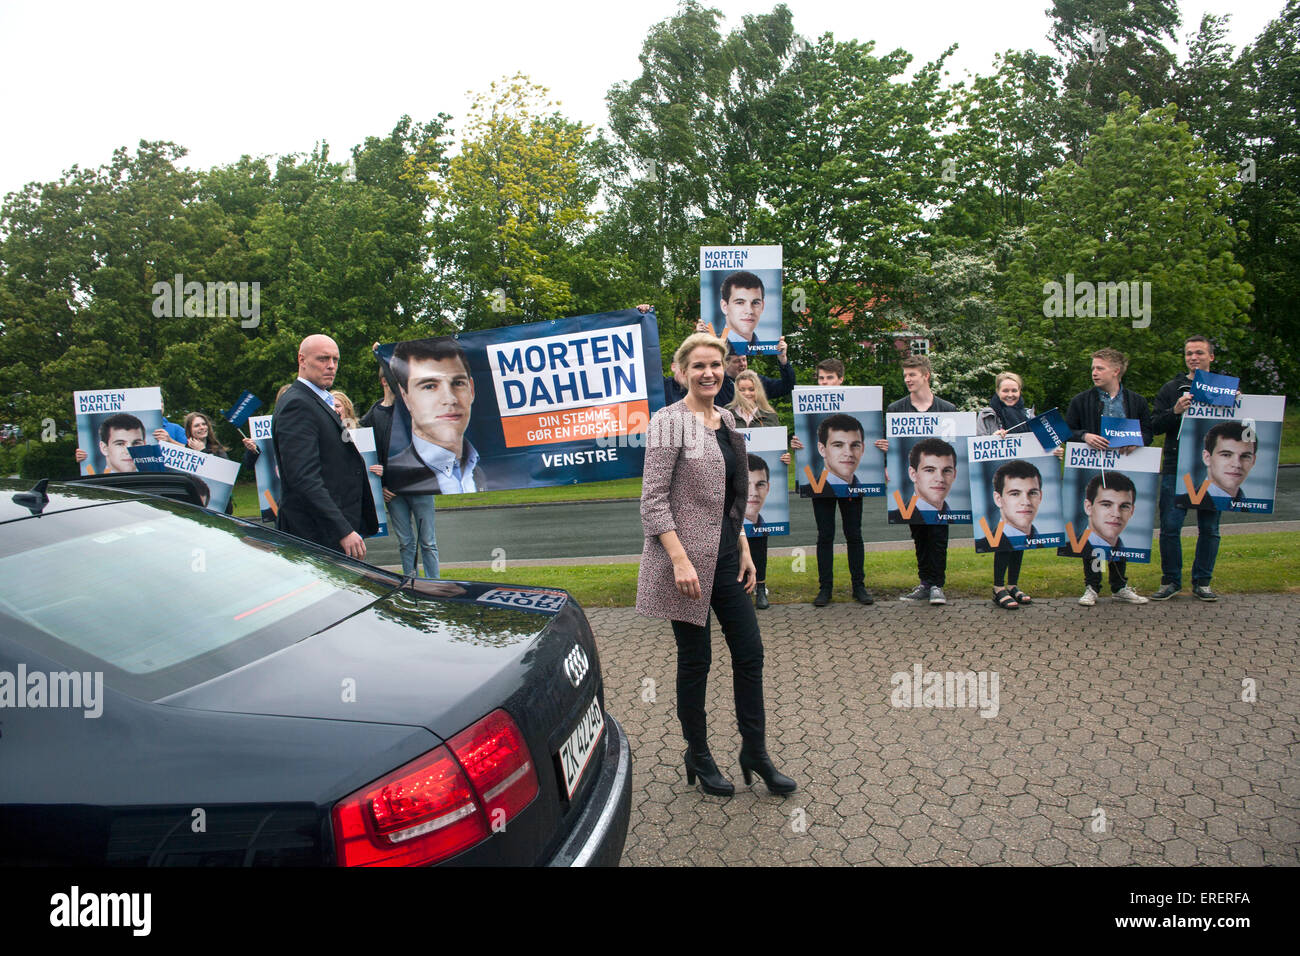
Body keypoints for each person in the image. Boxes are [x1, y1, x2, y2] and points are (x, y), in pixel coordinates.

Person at [636, 331, 795, 797]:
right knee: (696, 661)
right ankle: (698, 754)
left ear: (726, 369)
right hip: (684, 567)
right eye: (699, 365)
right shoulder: (668, 422)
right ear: (681, 372)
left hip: (726, 557)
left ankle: (756, 752)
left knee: (750, 654)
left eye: (716, 364)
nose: (709, 372)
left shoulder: (726, 419)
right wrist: (680, 561)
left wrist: (743, 545)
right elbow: (653, 501)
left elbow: (730, 498)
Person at [272, 334, 378, 558]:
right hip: (317, 535)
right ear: (302, 360)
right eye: (323, 359)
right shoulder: (297, 404)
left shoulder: (318, 400)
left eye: (335, 360)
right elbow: (303, 478)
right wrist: (342, 529)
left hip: (330, 529)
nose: (331, 366)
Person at [1065, 349, 1151, 605]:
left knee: (1116, 528)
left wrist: (1137, 441)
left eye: (1100, 368)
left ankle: (1119, 586)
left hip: (1125, 471)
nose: (1094, 372)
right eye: (1093, 368)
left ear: (1116, 371)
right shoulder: (1081, 401)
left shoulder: (1136, 401)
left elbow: (1148, 431)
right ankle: (1092, 586)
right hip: (1094, 471)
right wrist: (1084, 436)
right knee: (1097, 531)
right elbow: (1066, 430)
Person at [874, 355, 957, 605]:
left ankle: (937, 585)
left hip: (941, 482)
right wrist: (887, 451)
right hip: (912, 485)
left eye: (912, 375)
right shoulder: (896, 409)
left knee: (939, 534)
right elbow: (895, 447)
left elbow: (955, 446)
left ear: (926, 376)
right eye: (905, 375)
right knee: (919, 534)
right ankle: (924, 583)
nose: (907, 379)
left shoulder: (947, 409)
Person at [791, 359, 873, 607]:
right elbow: (802, 436)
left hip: (853, 487)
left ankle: (859, 586)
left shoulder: (857, 403)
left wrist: (881, 446)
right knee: (825, 535)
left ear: (840, 379)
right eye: (821, 378)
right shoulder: (810, 405)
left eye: (829, 378)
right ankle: (825, 587)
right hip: (821, 485)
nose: (824, 382)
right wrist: (794, 441)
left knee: (854, 534)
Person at [1151, 336, 1224, 601]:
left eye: (1199, 353)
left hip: (1212, 469)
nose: (1193, 357)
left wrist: (1240, 402)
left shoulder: (1225, 389)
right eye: (1189, 353)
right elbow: (1155, 425)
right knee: (1170, 527)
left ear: (1211, 357)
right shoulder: (1172, 388)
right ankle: (1171, 581)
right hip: (1176, 466)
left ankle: (1202, 582)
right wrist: (1175, 410)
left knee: (1210, 528)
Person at [362, 360, 439, 579]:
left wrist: (379, 355)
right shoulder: (372, 415)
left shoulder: (409, 411)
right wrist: (383, 484)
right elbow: (366, 454)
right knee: (405, 542)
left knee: (428, 542)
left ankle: (435, 585)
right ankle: (410, 584)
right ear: (384, 381)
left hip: (418, 486)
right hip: (392, 493)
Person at [385, 337, 486, 494]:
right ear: (405, 396)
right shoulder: (394, 475)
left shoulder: (478, 471)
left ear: (471, 390)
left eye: (458, 383)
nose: (450, 399)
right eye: (430, 386)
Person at [1078, 472, 1146, 605]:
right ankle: (1092, 587)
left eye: (1124, 506)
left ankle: (1119, 588)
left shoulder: (1122, 545)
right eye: (1106, 504)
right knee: (1096, 551)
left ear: (1132, 511)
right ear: (1088, 507)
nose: (1116, 514)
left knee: (1112, 550)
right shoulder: (1075, 544)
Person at [987, 460, 1042, 610]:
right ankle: (998, 588)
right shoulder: (987, 539)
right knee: (1004, 546)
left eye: (1032, 493)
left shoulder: (1037, 537)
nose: (1026, 502)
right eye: (1015, 494)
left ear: (1040, 496)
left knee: (1019, 544)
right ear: (999, 499)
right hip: (999, 537)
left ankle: (1012, 585)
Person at [887, 438, 957, 523]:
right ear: (913, 474)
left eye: (946, 470)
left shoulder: (961, 520)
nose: (940, 479)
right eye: (930, 470)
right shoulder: (893, 519)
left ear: (954, 474)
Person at [1202, 421, 1257, 506]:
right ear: (1207, 458)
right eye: (1226, 455)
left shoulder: (1248, 505)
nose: (1237, 464)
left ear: (1253, 461)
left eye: (1245, 456)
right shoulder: (1185, 500)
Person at [724, 337, 796, 401]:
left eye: (744, 360)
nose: (742, 364)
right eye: (737, 361)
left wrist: (783, 359)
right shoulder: (718, 385)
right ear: (726, 364)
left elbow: (788, 386)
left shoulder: (757, 381)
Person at [715, 270, 765, 351]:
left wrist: (783, 360)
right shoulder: (712, 347)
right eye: (740, 303)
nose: (749, 311)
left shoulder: (764, 349)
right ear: (724, 307)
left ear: (762, 306)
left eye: (755, 303)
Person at [976, 372, 1035, 437]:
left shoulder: (1029, 416)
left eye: (1014, 391)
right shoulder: (986, 415)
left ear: (1019, 391)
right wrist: (993, 438)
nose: (1010, 395)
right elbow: (979, 445)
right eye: (1005, 391)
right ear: (997, 391)